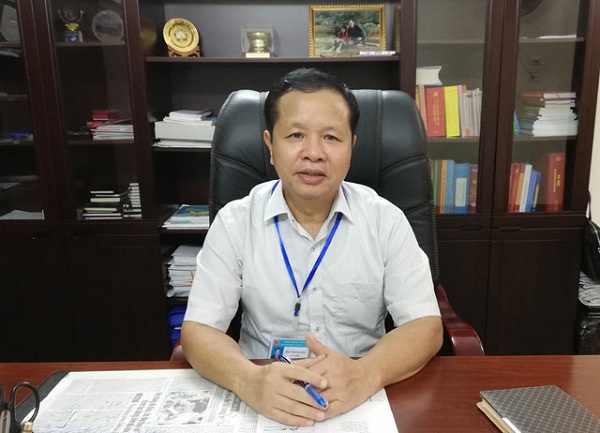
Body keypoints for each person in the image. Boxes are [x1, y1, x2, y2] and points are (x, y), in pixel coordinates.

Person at [181, 68, 443, 427]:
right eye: (296, 135)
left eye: (331, 137)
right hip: (263, 396)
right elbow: (199, 330)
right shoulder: (235, 222)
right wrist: (248, 380)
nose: (314, 153)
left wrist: (364, 375)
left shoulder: (385, 220)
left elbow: (425, 326)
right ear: (270, 145)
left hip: (361, 398)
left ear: (352, 147)